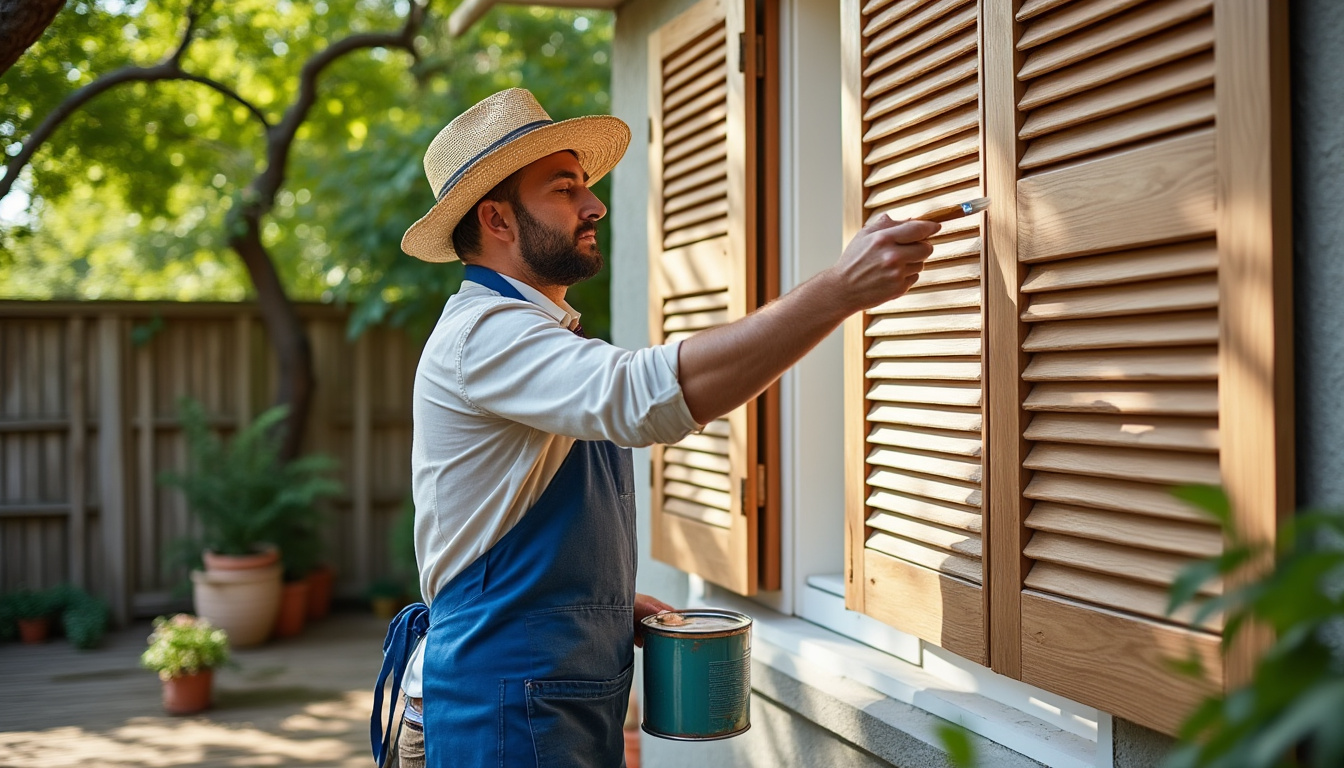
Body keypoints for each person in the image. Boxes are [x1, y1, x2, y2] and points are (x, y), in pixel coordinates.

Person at [370, 88, 938, 768]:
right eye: (565, 189)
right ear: (496, 218)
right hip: (500, 705)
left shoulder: (535, 334)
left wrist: (604, 605)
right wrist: (839, 289)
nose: (595, 205)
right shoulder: (487, 334)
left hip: (538, 696)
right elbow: (640, 397)